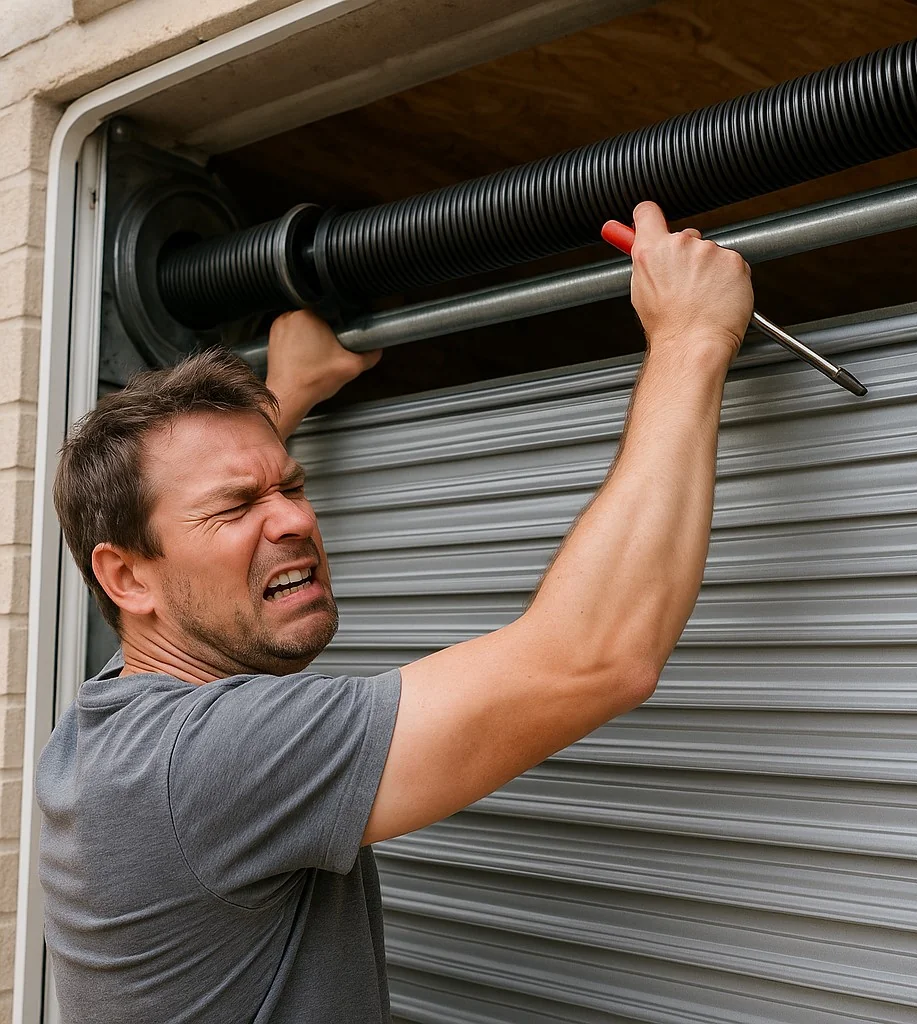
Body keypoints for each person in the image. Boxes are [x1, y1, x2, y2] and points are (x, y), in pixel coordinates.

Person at [36, 201, 753, 1023]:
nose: (298, 519)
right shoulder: (204, 761)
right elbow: (595, 656)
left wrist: (286, 394)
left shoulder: (110, 722)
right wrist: (692, 338)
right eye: (238, 506)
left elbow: (186, 545)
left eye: (293, 486)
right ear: (127, 578)